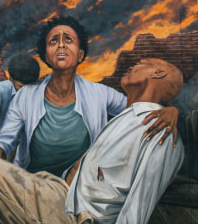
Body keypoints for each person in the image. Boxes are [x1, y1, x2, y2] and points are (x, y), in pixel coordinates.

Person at [0, 17, 179, 223]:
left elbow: (138, 110)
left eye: (68, 40)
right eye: (53, 40)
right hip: (34, 184)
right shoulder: (26, 97)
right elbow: (4, 142)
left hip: (62, 200)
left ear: (80, 54)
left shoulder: (100, 95)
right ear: (46, 54)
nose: (60, 45)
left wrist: (171, 109)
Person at [64, 58, 184, 223]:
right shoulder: (127, 116)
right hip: (63, 196)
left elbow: (139, 204)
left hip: (79, 216)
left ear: (158, 73)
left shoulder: (160, 129)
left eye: (141, 63)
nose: (132, 65)